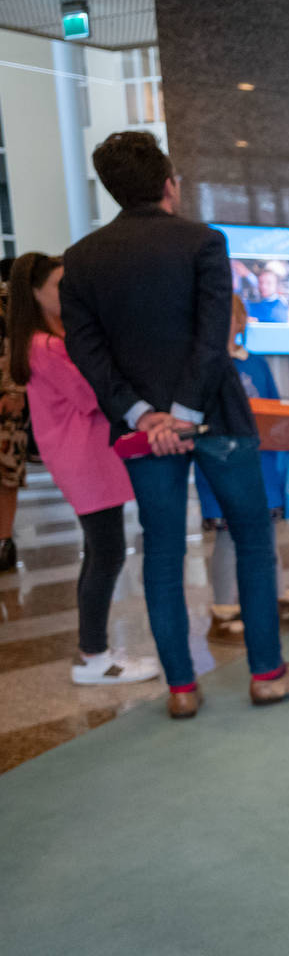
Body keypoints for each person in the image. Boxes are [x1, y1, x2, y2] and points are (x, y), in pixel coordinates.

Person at [59, 131, 289, 718]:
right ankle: (267, 675)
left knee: (160, 550)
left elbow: (88, 353)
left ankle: (182, 690)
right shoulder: (203, 242)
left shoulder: (81, 260)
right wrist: (184, 414)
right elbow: (214, 338)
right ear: (168, 185)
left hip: (142, 434)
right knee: (252, 537)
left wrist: (144, 416)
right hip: (217, 421)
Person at [7, 253, 159, 684]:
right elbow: (94, 394)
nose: (68, 294)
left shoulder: (51, 339)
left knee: (100, 551)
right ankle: (94, 657)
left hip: (87, 456)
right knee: (106, 552)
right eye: (59, 286)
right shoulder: (47, 346)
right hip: (84, 458)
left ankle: (91, 650)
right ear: (35, 293)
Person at [199, 294, 289, 645]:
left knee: (266, 538)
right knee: (229, 540)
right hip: (224, 464)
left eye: (233, 316)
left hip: (263, 463)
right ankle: (223, 612)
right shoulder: (204, 365)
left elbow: (274, 407)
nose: (227, 322)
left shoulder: (255, 363)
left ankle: (275, 602)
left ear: (243, 321)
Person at [0, 269, 23, 575]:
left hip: (4, 398)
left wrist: (16, 390)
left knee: (6, 471)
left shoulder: (6, 301)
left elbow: (16, 343)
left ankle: (4, 541)